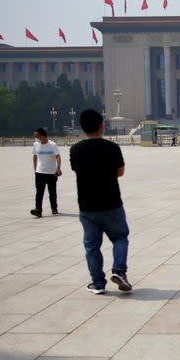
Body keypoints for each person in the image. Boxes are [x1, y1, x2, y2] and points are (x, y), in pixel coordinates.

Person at [69, 110, 132, 295]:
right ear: (101, 125)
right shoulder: (112, 148)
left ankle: (97, 283)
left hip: (87, 206)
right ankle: (119, 271)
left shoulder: (75, 150)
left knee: (91, 246)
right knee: (120, 237)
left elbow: (77, 170)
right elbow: (120, 172)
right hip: (111, 203)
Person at [30, 127, 61, 217]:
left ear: (42, 135)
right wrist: (35, 169)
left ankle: (54, 208)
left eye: (37, 135)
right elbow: (35, 157)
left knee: (52, 192)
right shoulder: (36, 144)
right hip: (39, 172)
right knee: (39, 192)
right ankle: (38, 209)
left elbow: (58, 157)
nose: (36, 137)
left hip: (51, 173)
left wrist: (58, 169)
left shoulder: (52, 145)